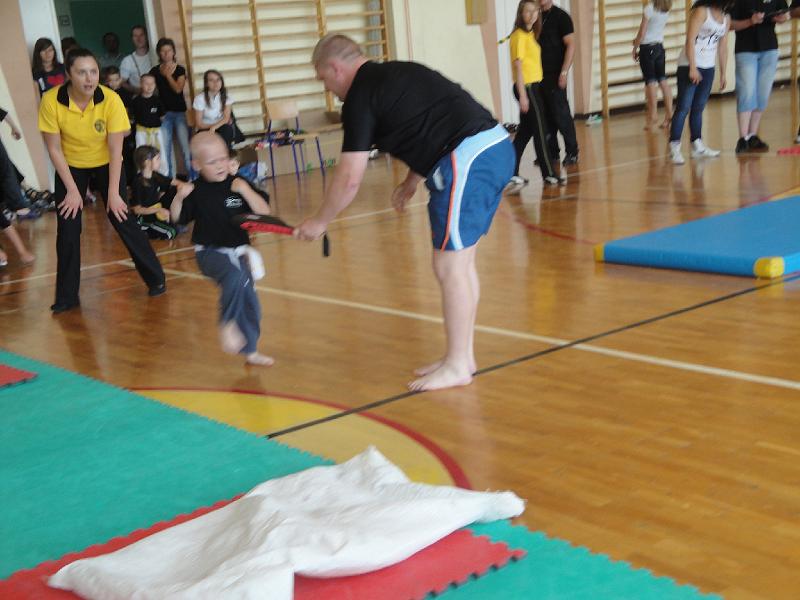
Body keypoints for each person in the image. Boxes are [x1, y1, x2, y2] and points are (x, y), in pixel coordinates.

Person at [295, 34, 515, 392]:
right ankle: (462, 357)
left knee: (449, 266)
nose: (327, 89)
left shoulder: (360, 96)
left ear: (335, 68)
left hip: (469, 158)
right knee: (460, 264)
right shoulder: (397, 73)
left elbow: (350, 177)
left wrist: (319, 221)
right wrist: (412, 180)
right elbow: (431, 123)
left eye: (324, 79)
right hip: (493, 147)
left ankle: (458, 364)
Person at [38, 48, 166, 313]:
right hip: (71, 165)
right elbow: (54, 149)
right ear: (69, 74)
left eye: (93, 72)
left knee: (121, 216)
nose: (89, 78)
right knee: (68, 227)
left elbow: (116, 151)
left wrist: (114, 194)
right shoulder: (51, 100)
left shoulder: (110, 99)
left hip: (107, 162)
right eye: (81, 72)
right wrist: (73, 191)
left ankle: (156, 278)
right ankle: (66, 297)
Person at [170, 132, 273, 365]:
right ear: (196, 165)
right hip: (209, 253)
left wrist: (245, 190)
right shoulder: (195, 190)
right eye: (211, 162)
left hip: (240, 251)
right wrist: (179, 198)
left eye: (223, 159)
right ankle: (227, 324)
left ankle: (251, 351)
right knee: (234, 277)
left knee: (250, 301)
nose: (219, 166)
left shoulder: (238, 183)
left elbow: (264, 212)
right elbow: (177, 219)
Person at [507, 0, 562, 192]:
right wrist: (523, 96)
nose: (532, 15)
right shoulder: (518, 36)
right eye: (527, 11)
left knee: (525, 132)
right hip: (527, 88)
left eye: (534, 11)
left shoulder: (530, 34)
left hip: (534, 87)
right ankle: (548, 173)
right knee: (540, 130)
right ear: (520, 14)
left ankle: (510, 171)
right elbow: (518, 68)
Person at [668, 0, 731, 165]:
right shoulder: (702, 11)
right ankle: (674, 146)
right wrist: (692, 67)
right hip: (689, 65)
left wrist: (723, 73)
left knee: (698, 107)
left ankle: (697, 144)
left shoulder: (726, 18)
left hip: (708, 67)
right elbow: (690, 40)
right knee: (683, 107)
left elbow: (723, 47)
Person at [730, 0, 790, 153]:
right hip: (745, 50)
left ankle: (752, 135)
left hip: (769, 49)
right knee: (746, 92)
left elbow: (786, 13)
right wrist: (750, 21)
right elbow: (729, 24)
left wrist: (783, 18)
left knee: (763, 94)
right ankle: (742, 138)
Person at [537, 0, 579, 167]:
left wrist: (564, 72)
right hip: (537, 75)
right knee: (545, 117)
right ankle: (552, 153)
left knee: (561, 115)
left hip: (555, 74)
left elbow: (571, 45)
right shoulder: (534, 16)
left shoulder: (561, 17)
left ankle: (572, 151)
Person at [149, 38, 191, 178]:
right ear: (159, 53)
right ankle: (169, 180)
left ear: (173, 52)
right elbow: (151, 91)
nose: (166, 53)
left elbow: (178, 89)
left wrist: (168, 75)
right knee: (164, 149)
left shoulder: (180, 69)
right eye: (163, 51)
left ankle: (193, 178)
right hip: (163, 114)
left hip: (179, 113)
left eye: (169, 50)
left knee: (186, 147)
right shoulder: (154, 71)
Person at [633, 0, 674, 130]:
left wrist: (635, 47)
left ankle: (653, 115)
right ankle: (669, 114)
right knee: (663, 80)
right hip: (659, 47)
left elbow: (642, 32)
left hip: (647, 49)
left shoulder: (649, 8)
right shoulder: (666, 8)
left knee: (650, 82)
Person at [131, 145, 182, 240]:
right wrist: (158, 210)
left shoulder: (155, 175)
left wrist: (186, 186)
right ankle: (143, 231)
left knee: (175, 189)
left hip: (155, 213)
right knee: (171, 232)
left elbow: (172, 182)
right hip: (145, 218)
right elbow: (137, 210)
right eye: (157, 159)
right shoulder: (138, 182)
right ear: (147, 162)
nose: (160, 162)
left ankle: (163, 223)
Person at [102, 66, 136, 185]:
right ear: (106, 81)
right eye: (111, 80)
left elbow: (130, 113)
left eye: (116, 79)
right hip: (110, 130)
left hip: (125, 129)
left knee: (128, 155)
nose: (114, 83)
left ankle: (130, 182)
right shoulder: (104, 94)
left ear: (120, 79)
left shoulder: (126, 94)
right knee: (113, 156)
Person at [131, 73, 167, 173]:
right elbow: (132, 118)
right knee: (142, 154)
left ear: (155, 85)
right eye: (146, 83)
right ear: (141, 84)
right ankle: (142, 176)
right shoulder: (136, 101)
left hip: (156, 132)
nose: (149, 86)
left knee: (160, 153)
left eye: (152, 83)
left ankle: (163, 175)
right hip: (141, 132)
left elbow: (162, 117)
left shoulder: (157, 100)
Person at [193, 70, 235, 147]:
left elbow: (226, 118)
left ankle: (225, 152)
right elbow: (199, 124)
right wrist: (212, 127)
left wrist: (214, 127)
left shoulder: (227, 96)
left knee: (227, 130)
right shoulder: (199, 98)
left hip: (221, 126)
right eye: (211, 80)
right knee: (209, 139)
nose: (215, 83)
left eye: (218, 79)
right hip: (205, 127)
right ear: (206, 83)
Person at [120, 25, 153, 94]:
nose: (139, 39)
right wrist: (137, 90)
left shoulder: (155, 55)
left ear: (147, 37)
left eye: (141, 35)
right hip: (139, 96)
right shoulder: (127, 60)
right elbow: (122, 82)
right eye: (135, 36)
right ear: (132, 39)